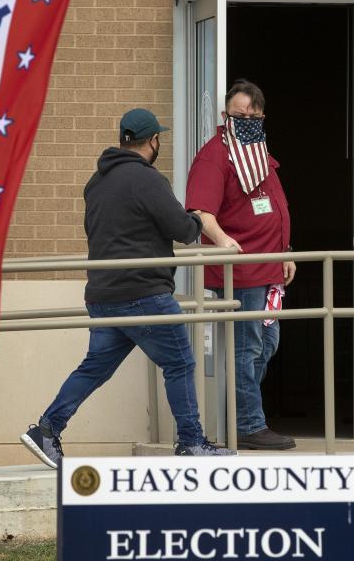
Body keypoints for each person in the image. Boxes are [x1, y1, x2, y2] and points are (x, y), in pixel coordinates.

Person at [21, 108, 235, 467]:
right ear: (153, 141)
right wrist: (198, 219)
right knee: (180, 361)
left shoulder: (96, 182)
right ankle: (192, 442)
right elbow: (181, 229)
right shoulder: (148, 180)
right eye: (158, 140)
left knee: (95, 368)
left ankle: (46, 429)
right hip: (142, 292)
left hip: (104, 296)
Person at [185, 80, 297, 450]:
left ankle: (242, 413)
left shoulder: (258, 152)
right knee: (246, 349)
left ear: (262, 116)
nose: (245, 119)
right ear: (225, 116)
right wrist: (222, 241)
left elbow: (272, 208)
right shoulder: (215, 155)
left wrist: (286, 251)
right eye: (238, 114)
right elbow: (201, 211)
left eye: (252, 114)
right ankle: (249, 424)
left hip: (268, 270)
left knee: (266, 345)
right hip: (241, 273)